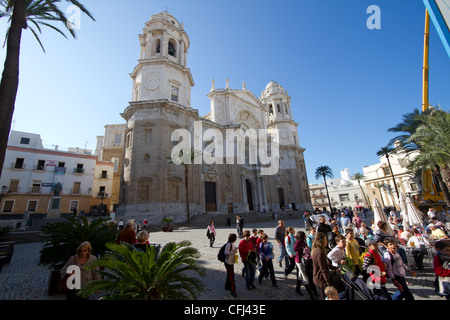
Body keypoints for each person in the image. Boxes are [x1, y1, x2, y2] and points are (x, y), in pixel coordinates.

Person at [311, 232, 333, 300]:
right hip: (321, 280)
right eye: (325, 239)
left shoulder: (316, 249)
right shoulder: (319, 252)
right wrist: (328, 283)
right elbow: (323, 268)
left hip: (317, 278)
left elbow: (326, 263)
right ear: (321, 240)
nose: (327, 241)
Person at [294, 231, 316, 299]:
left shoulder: (303, 241)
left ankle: (297, 288)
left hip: (303, 260)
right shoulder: (298, 242)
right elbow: (295, 249)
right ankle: (311, 294)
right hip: (299, 261)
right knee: (305, 277)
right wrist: (303, 247)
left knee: (300, 275)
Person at [224, 233, 238, 297]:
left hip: (231, 262)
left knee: (229, 275)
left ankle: (227, 286)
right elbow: (225, 252)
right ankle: (233, 291)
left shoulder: (232, 244)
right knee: (231, 276)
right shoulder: (228, 245)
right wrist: (233, 252)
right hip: (228, 262)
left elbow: (234, 248)